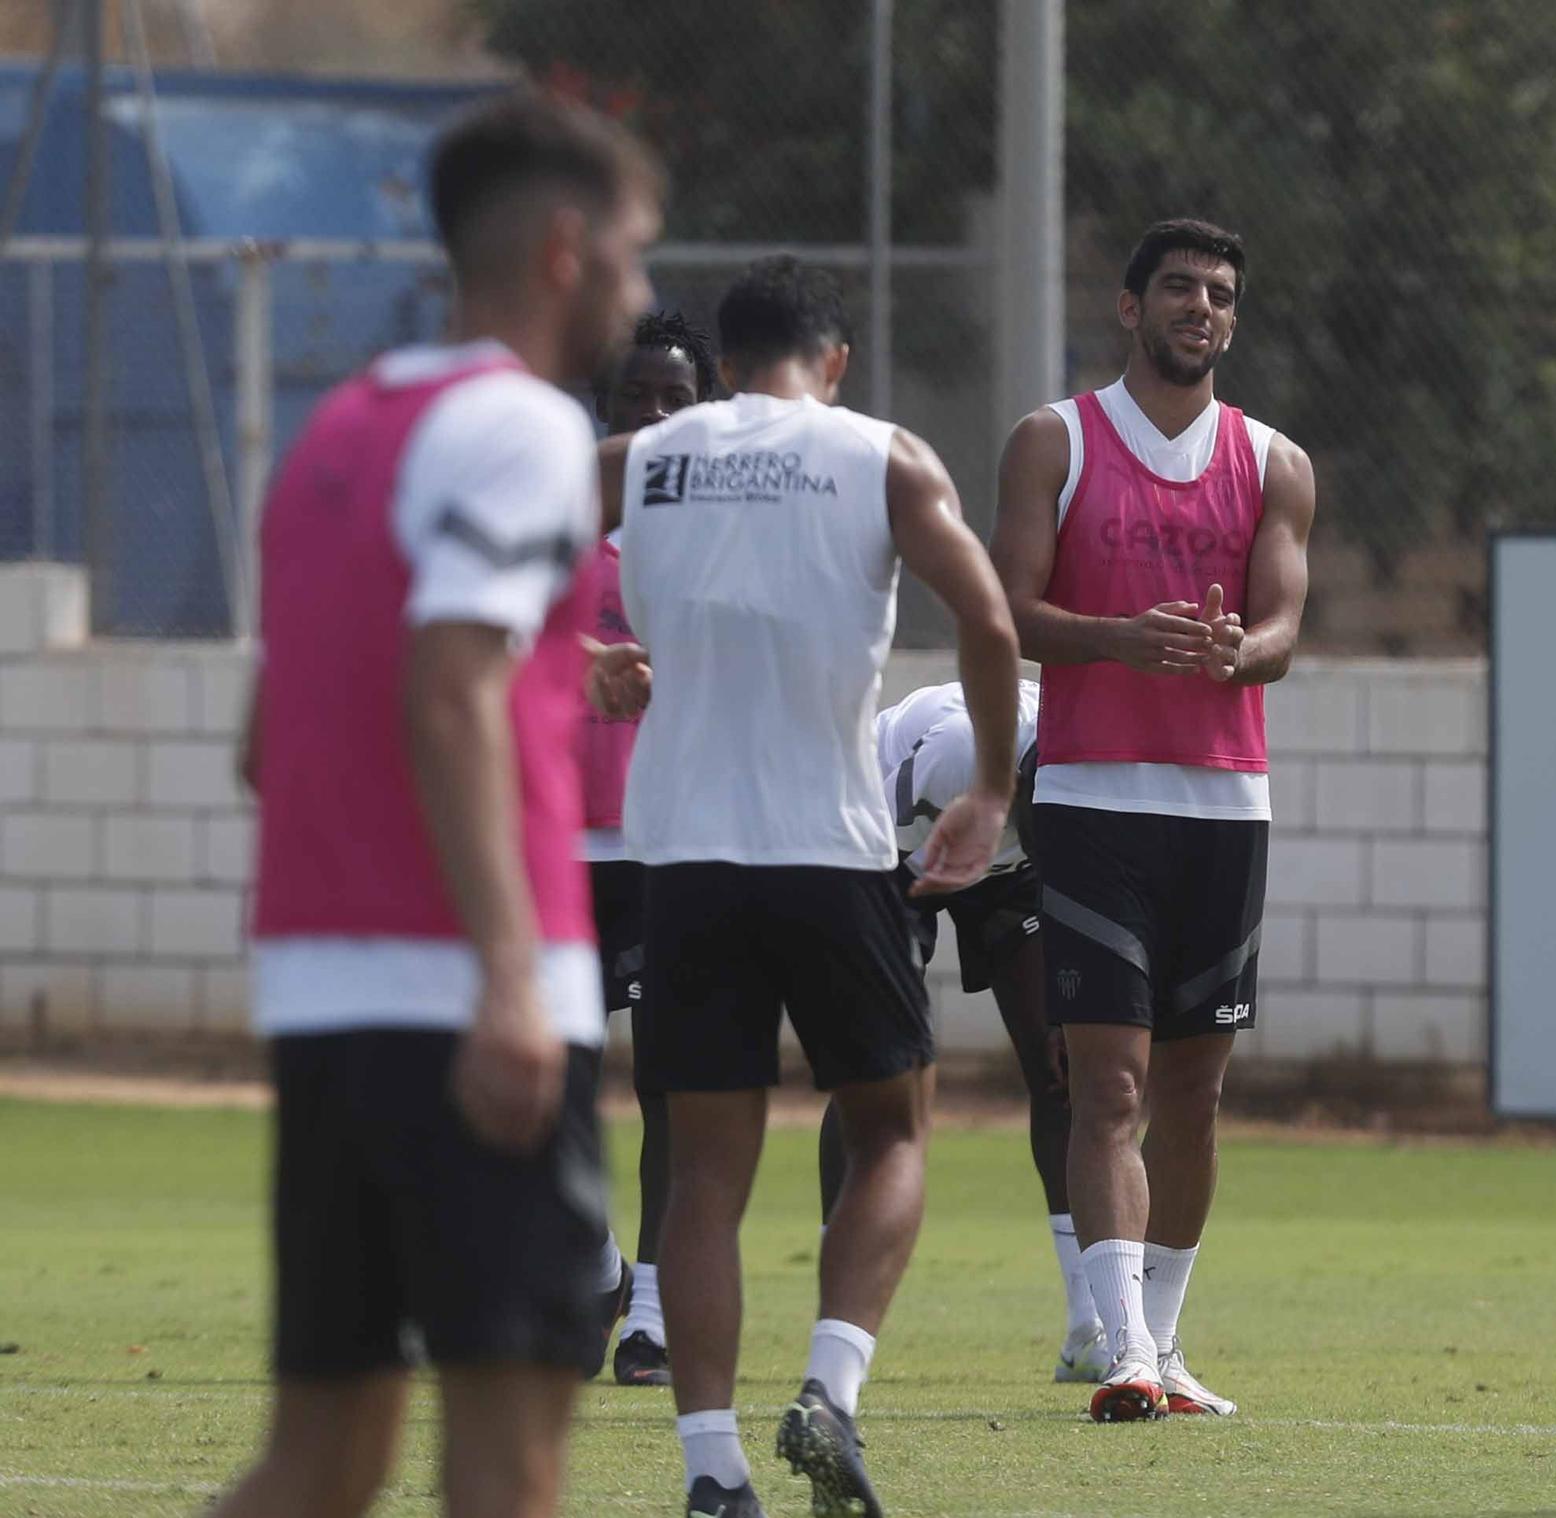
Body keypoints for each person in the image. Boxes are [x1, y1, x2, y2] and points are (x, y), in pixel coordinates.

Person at [218, 95, 658, 1518]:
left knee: (318, 1465)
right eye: (638, 255)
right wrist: (510, 978)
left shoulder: (342, 430)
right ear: (566, 250)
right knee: (512, 1464)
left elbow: (263, 740)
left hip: (325, 993)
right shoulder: (526, 429)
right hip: (467, 996)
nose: (645, 294)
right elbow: (451, 691)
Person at [596, 255, 1020, 1518]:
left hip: (680, 854)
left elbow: (483, 568)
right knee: (890, 1125)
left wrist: (578, 659)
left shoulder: (639, 460)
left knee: (704, 1175)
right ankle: (830, 1385)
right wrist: (986, 790)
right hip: (828, 851)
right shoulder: (880, 456)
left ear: (721, 367)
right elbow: (992, 626)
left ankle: (712, 1470)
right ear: (832, 363)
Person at [989, 218, 1316, 1423]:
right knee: (1107, 1086)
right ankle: (1118, 1348)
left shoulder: (1274, 460)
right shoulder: (1054, 442)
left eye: (1220, 294)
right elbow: (1009, 612)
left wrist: (1241, 655)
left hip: (1224, 807)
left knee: (1194, 1092)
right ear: (1129, 308)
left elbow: (1281, 629)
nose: (1201, 308)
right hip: (1091, 800)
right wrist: (1115, 640)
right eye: (1177, 288)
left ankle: (1162, 1344)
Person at [814, 678, 1111, 1384]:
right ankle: (839, 1302)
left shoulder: (1089, 769)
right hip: (896, 846)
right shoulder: (955, 756)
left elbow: (1082, 888)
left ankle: (1090, 1324)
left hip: (1011, 873)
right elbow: (865, 856)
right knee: (877, 1067)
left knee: (1066, 1067)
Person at [577, 310, 722, 1388]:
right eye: (635, 400)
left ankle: (655, 1316)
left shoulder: (722, 536)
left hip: (674, 844)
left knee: (672, 1087)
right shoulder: (551, 523)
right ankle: (587, 1269)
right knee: (547, 1085)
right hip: (554, 844)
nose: (654, 419)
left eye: (675, 400)